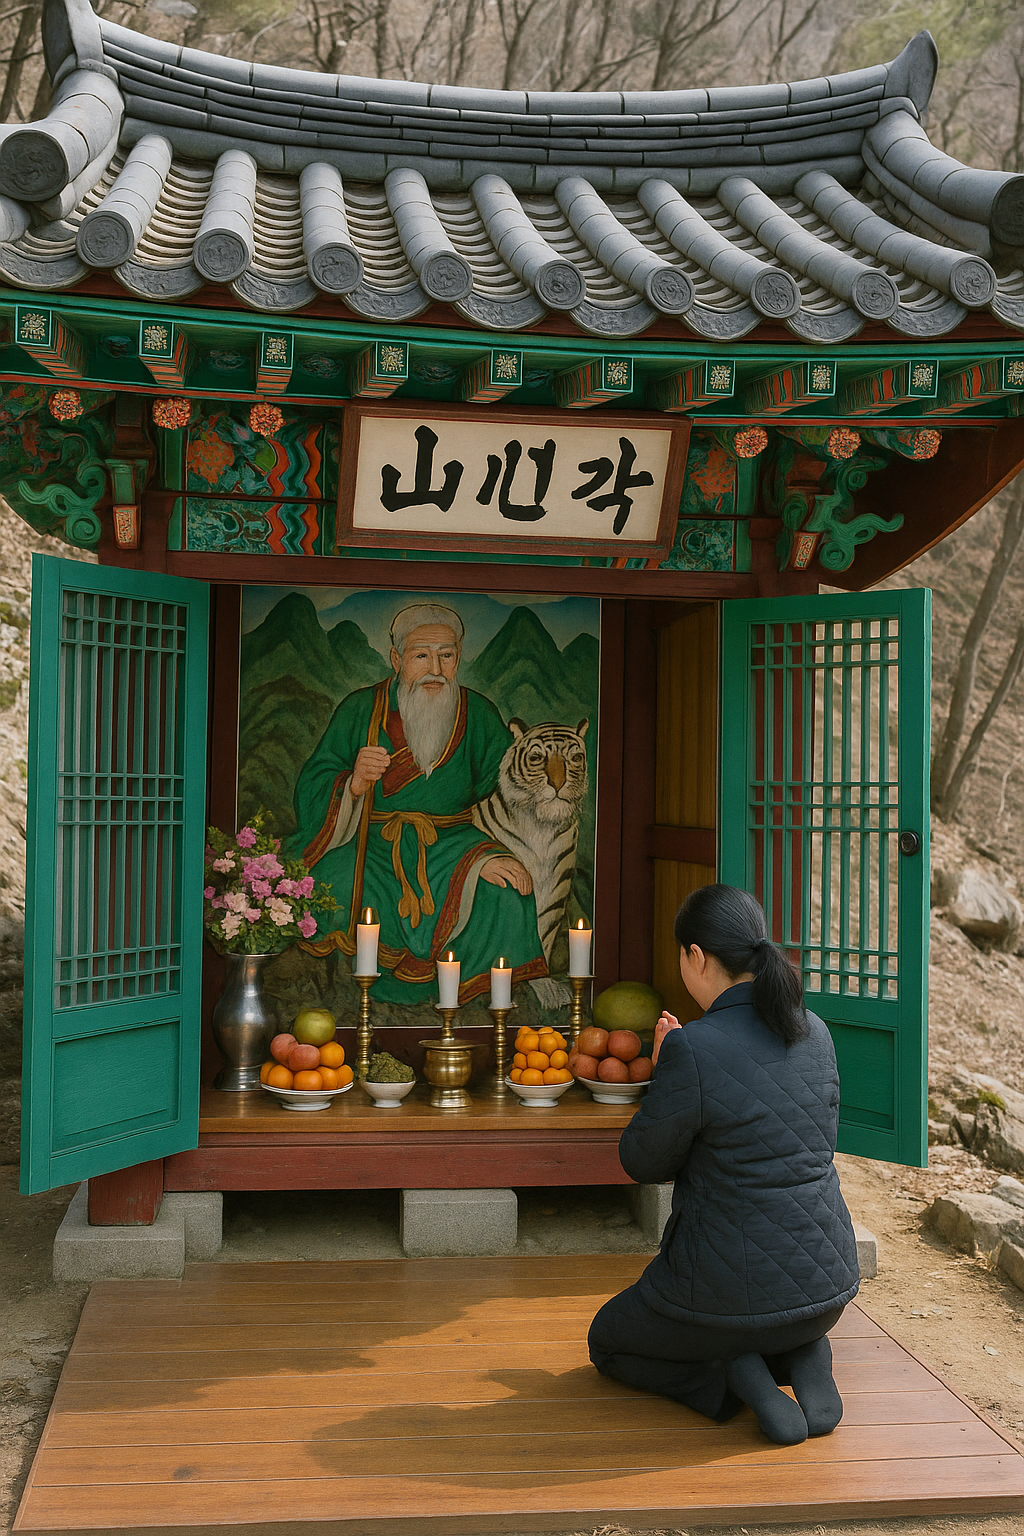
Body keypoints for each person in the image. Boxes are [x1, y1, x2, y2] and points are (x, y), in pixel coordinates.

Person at [588, 884, 859, 1445]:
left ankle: (733, 1377)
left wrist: (666, 1072)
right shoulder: (817, 1033)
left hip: (719, 1296)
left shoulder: (694, 1048)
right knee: (776, 1315)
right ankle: (805, 1352)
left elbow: (641, 1160)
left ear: (696, 956)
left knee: (608, 1341)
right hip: (826, 1285)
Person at [290, 602, 548, 1004]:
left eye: (446, 656)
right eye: (421, 655)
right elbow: (312, 785)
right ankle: (349, 1000)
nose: (435, 668)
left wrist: (486, 856)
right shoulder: (361, 708)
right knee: (331, 883)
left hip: (453, 841)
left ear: (458, 657)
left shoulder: (478, 713)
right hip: (371, 839)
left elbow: (509, 790)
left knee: (508, 891)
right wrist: (353, 783)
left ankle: (481, 1005)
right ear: (397, 659)